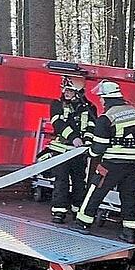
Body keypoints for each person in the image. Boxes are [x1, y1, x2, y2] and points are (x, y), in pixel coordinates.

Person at [75, 80, 135, 243]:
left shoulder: (106, 118)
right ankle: (129, 231)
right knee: (128, 195)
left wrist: (90, 152)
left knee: (96, 188)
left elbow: (99, 148)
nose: (100, 100)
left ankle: (83, 223)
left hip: (114, 160)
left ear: (107, 98)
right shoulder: (134, 111)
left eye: (101, 97)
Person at [37, 76, 97, 223]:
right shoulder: (57, 104)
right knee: (61, 181)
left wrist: (86, 142)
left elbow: (91, 126)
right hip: (61, 150)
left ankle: (77, 210)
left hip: (79, 152)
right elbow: (58, 123)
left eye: (70, 90)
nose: (66, 92)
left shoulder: (90, 108)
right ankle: (59, 212)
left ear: (79, 91)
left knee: (79, 181)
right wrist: (73, 138)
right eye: (65, 89)